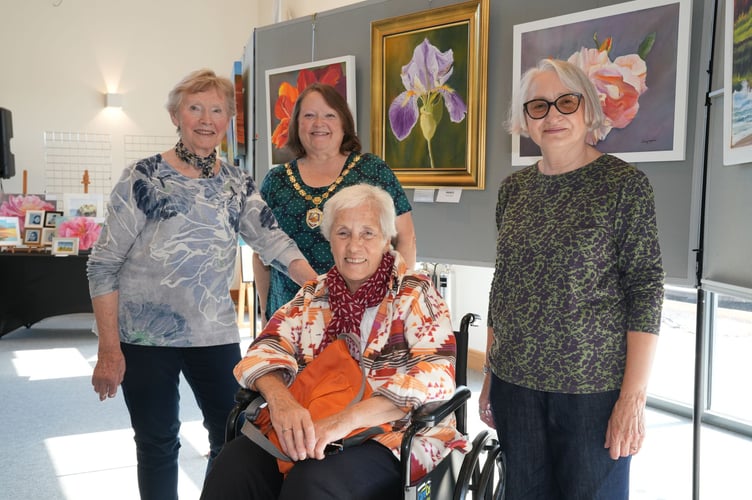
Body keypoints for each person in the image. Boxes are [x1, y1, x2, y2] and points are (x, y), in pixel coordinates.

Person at [87, 69, 316, 500]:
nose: (206, 119)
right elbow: (102, 265)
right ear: (176, 115)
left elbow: (272, 239)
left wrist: (316, 282)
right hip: (144, 336)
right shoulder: (143, 177)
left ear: (228, 120)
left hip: (214, 334)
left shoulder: (236, 183)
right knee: (157, 442)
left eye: (217, 110)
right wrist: (108, 348)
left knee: (233, 436)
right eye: (195, 108)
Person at [200, 184, 464, 500]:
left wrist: (342, 422)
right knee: (233, 465)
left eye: (367, 233)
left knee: (312, 482)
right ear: (330, 239)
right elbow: (264, 349)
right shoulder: (314, 294)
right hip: (314, 421)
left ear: (385, 239)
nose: (354, 246)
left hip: (396, 433)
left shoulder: (413, 293)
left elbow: (436, 377)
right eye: (343, 233)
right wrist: (282, 403)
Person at [478, 58, 665, 500]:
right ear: (525, 120)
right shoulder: (513, 191)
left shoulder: (625, 186)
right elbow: (503, 287)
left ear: (588, 111)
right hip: (516, 387)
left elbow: (646, 291)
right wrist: (490, 372)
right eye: (538, 106)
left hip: (592, 393)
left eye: (565, 102)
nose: (553, 115)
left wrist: (632, 398)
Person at [253, 82, 417, 324]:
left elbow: (405, 238)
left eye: (329, 115)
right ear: (297, 124)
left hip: (365, 315)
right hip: (291, 316)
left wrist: (399, 303)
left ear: (344, 123)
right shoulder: (275, 181)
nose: (319, 123)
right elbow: (261, 253)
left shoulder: (372, 170)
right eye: (309, 116)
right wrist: (267, 310)